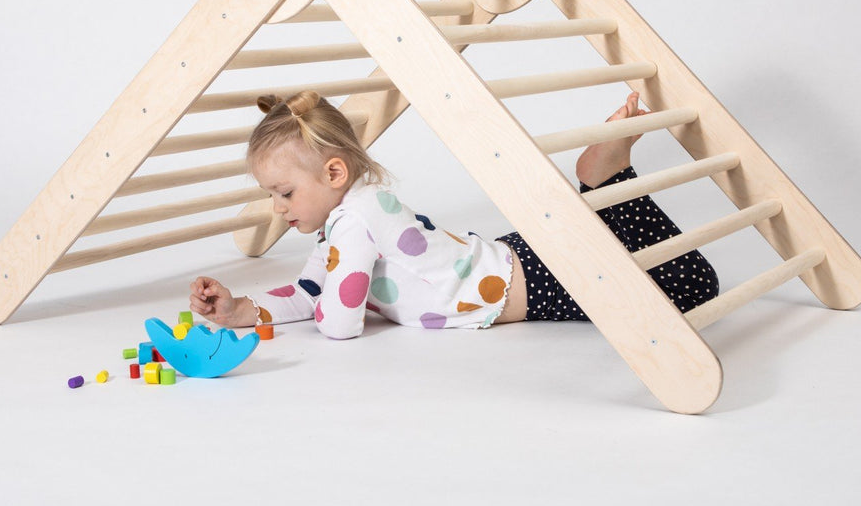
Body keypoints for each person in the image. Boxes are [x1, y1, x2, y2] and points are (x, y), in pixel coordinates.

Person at [189, 90, 719, 338]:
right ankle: (605, 181)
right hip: (510, 260)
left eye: (284, 193)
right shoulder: (348, 217)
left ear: (332, 175)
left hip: (529, 284)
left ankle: (606, 181)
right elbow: (312, 292)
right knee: (621, 244)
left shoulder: (353, 222)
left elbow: (338, 321)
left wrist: (326, 304)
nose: (278, 209)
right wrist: (240, 310)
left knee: (693, 283)